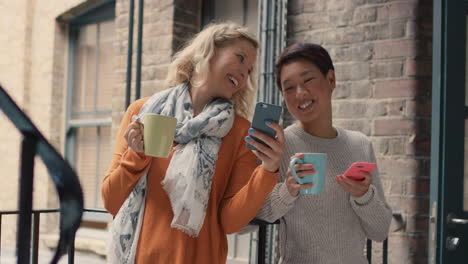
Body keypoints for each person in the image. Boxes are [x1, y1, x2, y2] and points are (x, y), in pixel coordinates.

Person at [101, 22, 285, 264]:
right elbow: (111, 201)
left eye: (249, 70)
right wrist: (136, 156)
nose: (244, 73)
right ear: (208, 51)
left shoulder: (240, 131)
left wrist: (267, 171)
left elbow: (230, 222)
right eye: (240, 58)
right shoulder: (143, 113)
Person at [256, 43, 392, 264]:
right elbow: (259, 215)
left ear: (331, 80)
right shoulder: (280, 144)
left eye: (308, 80)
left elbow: (380, 231)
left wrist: (363, 196)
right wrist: (288, 190)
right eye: (288, 87)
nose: (300, 93)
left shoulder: (360, 144)